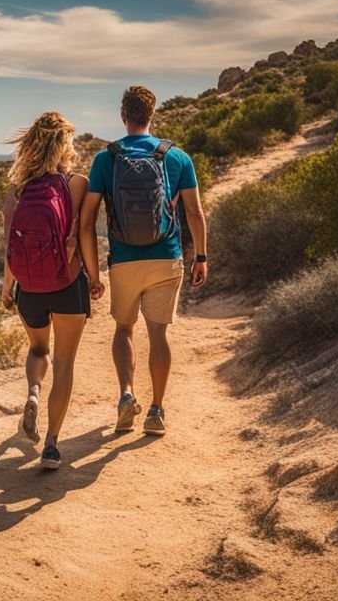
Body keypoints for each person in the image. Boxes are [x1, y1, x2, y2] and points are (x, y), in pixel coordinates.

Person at [80, 86, 208, 437]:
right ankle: (156, 410)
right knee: (158, 333)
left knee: (124, 330)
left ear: (123, 116)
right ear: (152, 116)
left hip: (123, 261)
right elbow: (194, 213)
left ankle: (125, 394)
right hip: (166, 258)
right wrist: (201, 256)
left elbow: (87, 220)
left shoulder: (106, 159)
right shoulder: (177, 157)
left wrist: (93, 271)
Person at [1, 111, 104, 470]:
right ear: (64, 146)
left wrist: (7, 287)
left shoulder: (17, 191)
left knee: (38, 348)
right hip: (67, 282)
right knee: (64, 363)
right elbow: (85, 232)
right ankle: (51, 445)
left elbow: (9, 247)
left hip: (28, 286)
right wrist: (94, 276)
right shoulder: (77, 184)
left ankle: (32, 392)